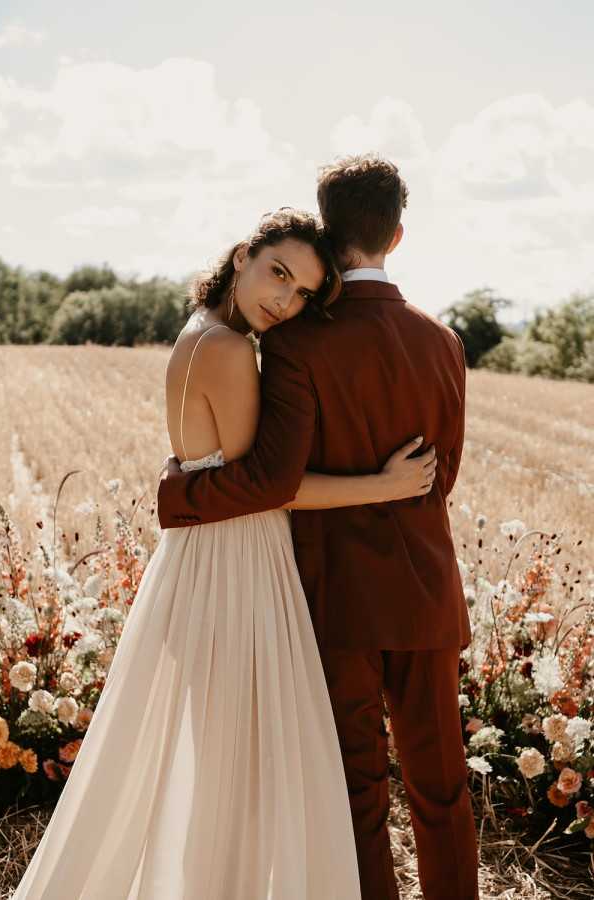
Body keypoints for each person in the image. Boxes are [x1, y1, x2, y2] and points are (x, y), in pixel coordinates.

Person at [11, 208, 436, 900]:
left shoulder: (197, 334)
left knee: (217, 753)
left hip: (199, 557)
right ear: (243, 256)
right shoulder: (233, 350)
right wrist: (380, 485)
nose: (285, 300)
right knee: (256, 754)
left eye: (301, 292)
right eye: (278, 273)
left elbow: (220, 473)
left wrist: (179, 488)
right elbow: (268, 488)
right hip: (237, 561)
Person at [158, 158, 479, 900]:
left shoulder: (298, 343)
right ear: (397, 235)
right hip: (426, 593)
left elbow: (275, 474)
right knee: (441, 789)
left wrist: (181, 494)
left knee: (358, 793)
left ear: (329, 239)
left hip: (335, 600)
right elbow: (444, 475)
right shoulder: (445, 342)